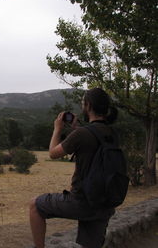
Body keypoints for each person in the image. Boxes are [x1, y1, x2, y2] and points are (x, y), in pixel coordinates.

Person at [29, 87, 119, 248]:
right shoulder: (111, 133)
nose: (82, 106)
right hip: (104, 203)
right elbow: (92, 144)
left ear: (89, 106)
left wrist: (57, 129)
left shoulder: (82, 134)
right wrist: (76, 129)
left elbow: (52, 153)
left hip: (82, 202)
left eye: (83, 103)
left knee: (36, 205)